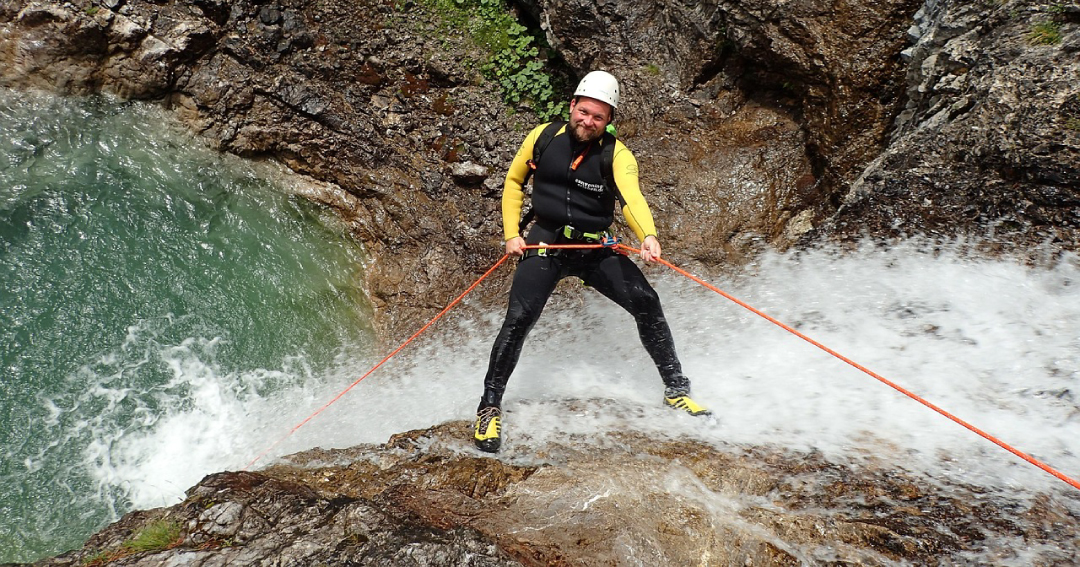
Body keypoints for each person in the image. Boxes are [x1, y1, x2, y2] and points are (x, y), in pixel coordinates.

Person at [473, 70, 710, 453]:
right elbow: (514, 182)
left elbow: (631, 199)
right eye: (583, 112)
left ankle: (676, 391)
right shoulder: (542, 137)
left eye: (598, 117)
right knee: (519, 318)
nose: (588, 121)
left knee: (647, 302)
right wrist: (511, 233)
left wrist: (648, 235)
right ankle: (488, 408)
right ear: (572, 106)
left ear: (609, 120)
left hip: (594, 248)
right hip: (545, 241)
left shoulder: (616, 155)